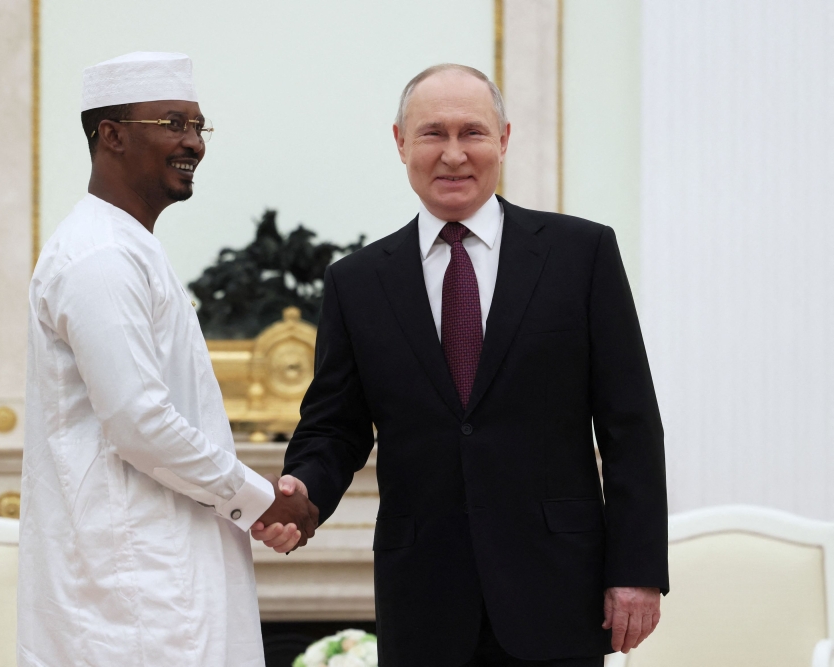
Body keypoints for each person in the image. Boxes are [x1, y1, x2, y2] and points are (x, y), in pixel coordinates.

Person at [261, 64, 669, 666]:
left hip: (557, 592)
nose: (454, 155)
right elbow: (335, 427)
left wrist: (637, 570)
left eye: (472, 133)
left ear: (503, 139)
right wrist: (303, 491)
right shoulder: (357, 282)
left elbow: (630, 425)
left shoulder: (582, 255)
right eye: (432, 134)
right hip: (424, 600)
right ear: (400, 143)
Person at [17, 52, 318, 667]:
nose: (193, 143)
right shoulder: (99, 256)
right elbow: (140, 424)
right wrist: (262, 500)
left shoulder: (130, 247)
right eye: (173, 123)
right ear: (112, 136)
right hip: (133, 595)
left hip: (159, 581)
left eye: (198, 126)